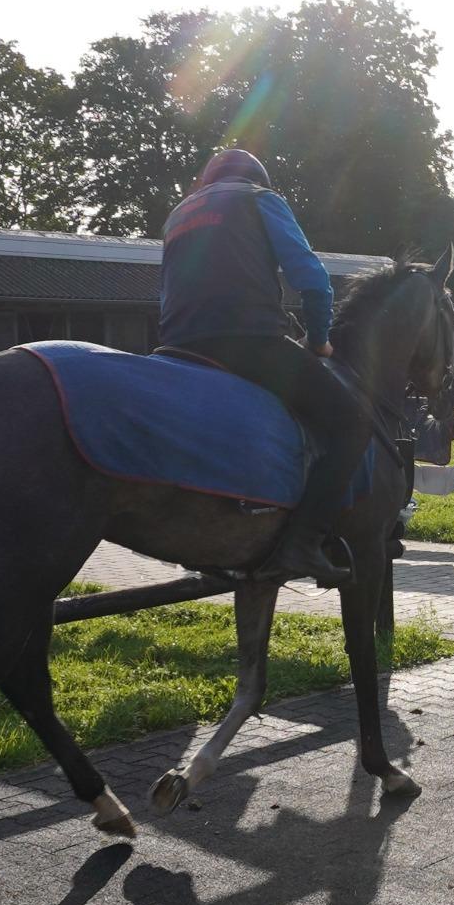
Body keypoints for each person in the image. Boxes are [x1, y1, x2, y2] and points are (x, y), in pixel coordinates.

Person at [158, 148, 365, 588]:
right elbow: (312, 277)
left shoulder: (178, 214)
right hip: (247, 342)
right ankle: (305, 542)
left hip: (177, 345)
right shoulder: (259, 198)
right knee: (350, 424)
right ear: (256, 176)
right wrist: (319, 338)